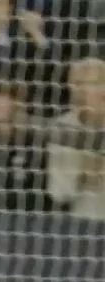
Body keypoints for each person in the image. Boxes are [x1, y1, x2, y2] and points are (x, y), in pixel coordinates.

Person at [47, 56, 105, 217]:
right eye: (77, 84)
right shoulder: (61, 127)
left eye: (92, 84)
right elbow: (57, 193)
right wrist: (82, 176)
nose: (81, 91)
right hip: (82, 223)